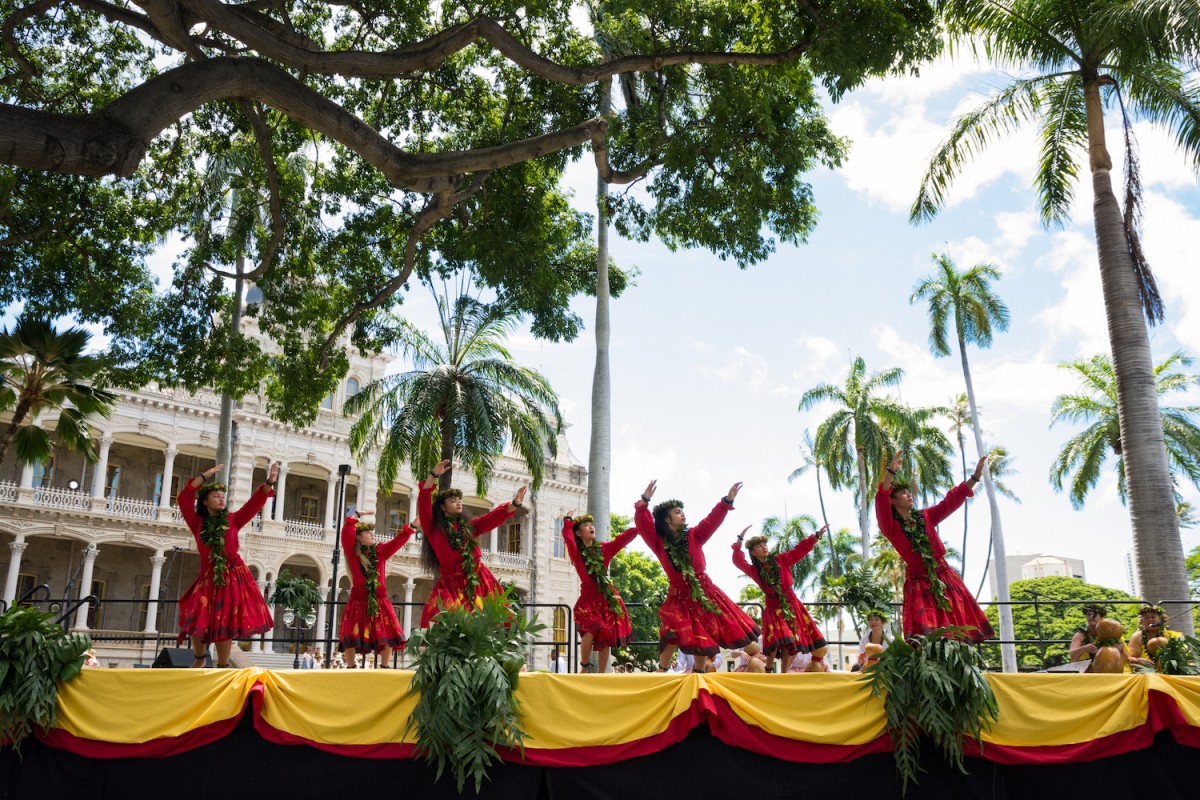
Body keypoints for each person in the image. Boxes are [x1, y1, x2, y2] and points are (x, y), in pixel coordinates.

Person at [635, 479, 762, 674]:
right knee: (670, 629)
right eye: (677, 512)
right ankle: (662, 671)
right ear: (667, 520)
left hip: (703, 590)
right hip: (679, 594)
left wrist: (726, 501)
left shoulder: (695, 534)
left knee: (704, 630)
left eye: (681, 510)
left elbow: (712, 520)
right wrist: (644, 502)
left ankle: (699, 672)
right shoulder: (658, 542)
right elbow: (643, 525)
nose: (682, 513)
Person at [875, 451, 994, 643]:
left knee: (956, 628)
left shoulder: (926, 516)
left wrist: (975, 478)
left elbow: (951, 501)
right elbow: (881, 497)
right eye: (903, 494)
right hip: (919, 582)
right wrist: (890, 472)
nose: (908, 495)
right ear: (893, 500)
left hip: (944, 576)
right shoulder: (891, 527)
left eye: (908, 492)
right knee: (926, 636)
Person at [177, 462, 277, 668]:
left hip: (232, 575)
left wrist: (269, 482)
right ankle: (200, 658)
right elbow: (184, 498)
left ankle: (222, 666)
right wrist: (205, 476)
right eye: (216, 496)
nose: (221, 498)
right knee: (193, 615)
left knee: (225, 621)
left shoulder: (233, 520)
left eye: (223, 496)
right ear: (205, 502)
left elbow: (254, 503)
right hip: (208, 575)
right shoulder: (197, 522)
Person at [417, 459, 526, 627]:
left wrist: (514, 504)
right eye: (453, 501)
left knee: (488, 624)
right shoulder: (432, 527)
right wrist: (433, 476)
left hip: (478, 580)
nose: (458, 502)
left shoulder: (470, 526)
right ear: (442, 508)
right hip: (451, 584)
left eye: (459, 500)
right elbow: (424, 500)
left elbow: (493, 518)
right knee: (444, 621)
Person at [732, 525, 829, 673]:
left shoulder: (780, 560)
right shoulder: (755, 570)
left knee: (790, 639)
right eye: (759, 546)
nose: (764, 547)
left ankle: (784, 673)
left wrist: (814, 537)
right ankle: (769, 668)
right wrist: (739, 541)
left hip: (791, 604)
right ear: (753, 552)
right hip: (773, 607)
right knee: (776, 638)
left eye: (765, 544)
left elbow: (798, 551)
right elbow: (738, 561)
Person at [562, 512, 638, 673]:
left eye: (592, 525)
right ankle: (584, 667)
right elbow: (568, 539)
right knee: (588, 631)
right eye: (586, 526)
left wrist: (639, 528)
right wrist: (568, 522)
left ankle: (602, 674)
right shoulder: (576, 553)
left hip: (606, 596)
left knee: (606, 636)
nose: (591, 527)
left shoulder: (604, 549)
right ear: (578, 533)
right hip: (588, 597)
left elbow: (620, 541)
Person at [339, 510, 414, 668]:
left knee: (386, 632)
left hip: (379, 599)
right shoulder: (353, 553)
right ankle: (351, 667)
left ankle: (385, 666)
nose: (372, 534)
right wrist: (358, 515)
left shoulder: (381, 551)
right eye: (368, 532)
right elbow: (347, 532)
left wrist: (412, 526)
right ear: (359, 537)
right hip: (358, 599)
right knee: (351, 632)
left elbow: (398, 541)